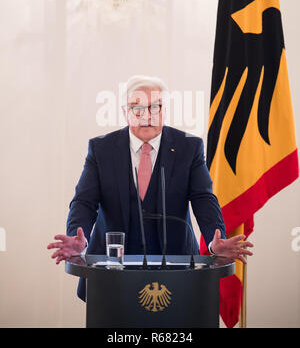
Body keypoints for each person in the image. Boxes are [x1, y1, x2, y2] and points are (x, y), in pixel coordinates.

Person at [47, 75, 253, 300]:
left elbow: (204, 199)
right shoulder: (101, 148)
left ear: (164, 110)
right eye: (137, 108)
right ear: (124, 112)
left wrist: (216, 241)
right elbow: (84, 202)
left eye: (155, 107)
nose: (147, 116)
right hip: (110, 270)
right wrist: (79, 239)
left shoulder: (189, 146)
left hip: (178, 267)